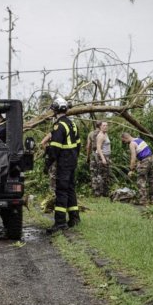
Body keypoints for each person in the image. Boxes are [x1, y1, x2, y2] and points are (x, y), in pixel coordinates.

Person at [44, 97, 81, 233]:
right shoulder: (73, 124)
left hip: (64, 163)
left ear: (56, 110)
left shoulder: (59, 126)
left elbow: (55, 148)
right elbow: (78, 145)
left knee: (61, 191)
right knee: (70, 189)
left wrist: (48, 163)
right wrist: (73, 158)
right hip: (72, 161)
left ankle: (60, 223)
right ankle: (74, 219)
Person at [121, 132, 153, 205]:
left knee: (141, 180)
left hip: (145, 161)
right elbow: (142, 152)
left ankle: (143, 200)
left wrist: (131, 169)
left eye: (124, 141)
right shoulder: (139, 139)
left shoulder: (132, 144)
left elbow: (133, 157)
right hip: (152, 159)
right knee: (151, 180)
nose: (124, 143)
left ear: (126, 138)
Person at [95, 121, 111, 197]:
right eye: (104, 125)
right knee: (100, 175)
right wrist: (103, 158)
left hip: (107, 156)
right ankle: (99, 193)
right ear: (100, 127)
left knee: (106, 175)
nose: (105, 127)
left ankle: (105, 192)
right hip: (102, 156)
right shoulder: (100, 135)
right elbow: (98, 148)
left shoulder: (106, 134)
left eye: (106, 125)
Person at [86, 121, 102, 196]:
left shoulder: (91, 133)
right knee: (101, 172)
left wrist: (88, 157)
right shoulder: (103, 133)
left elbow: (88, 146)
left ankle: (95, 191)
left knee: (93, 172)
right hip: (102, 154)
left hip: (93, 154)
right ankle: (102, 191)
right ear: (100, 126)